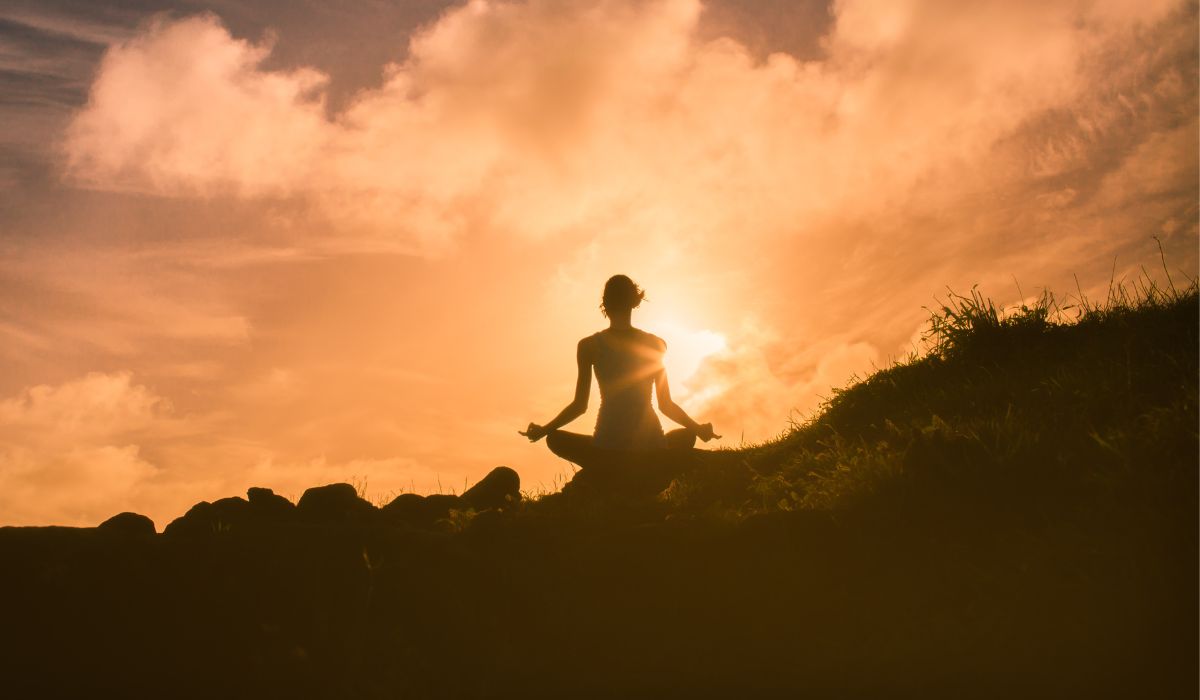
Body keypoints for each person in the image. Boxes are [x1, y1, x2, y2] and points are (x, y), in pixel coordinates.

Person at [520, 274, 720, 467]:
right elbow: (665, 405)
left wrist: (544, 430)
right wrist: (698, 429)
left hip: (608, 448)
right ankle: (657, 463)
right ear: (635, 302)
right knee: (685, 436)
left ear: (604, 304)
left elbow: (579, 406)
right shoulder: (656, 344)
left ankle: (606, 469)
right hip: (651, 446)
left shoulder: (589, 346)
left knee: (554, 438)